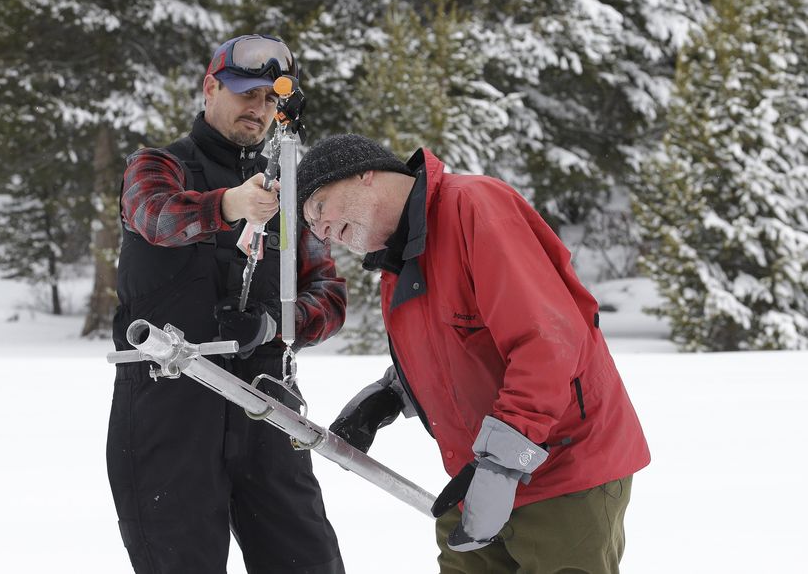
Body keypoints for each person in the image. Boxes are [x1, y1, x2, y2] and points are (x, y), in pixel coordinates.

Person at [296, 134, 651, 574]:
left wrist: (502, 468)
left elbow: (548, 343)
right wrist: (392, 394)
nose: (322, 232)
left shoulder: (474, 207)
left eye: (320, 208)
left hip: (564, 471)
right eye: (312, 228)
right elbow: (457, 347)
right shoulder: (398, 264)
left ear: (364, 174)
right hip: (476, 482)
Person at [107, 34, 347, 574]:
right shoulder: (157, 167)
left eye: (269, 99)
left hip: (267, 403)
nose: (258, 109)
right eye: (245, 93)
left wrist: (269, 327)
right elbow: (157, 217)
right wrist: (230, 204)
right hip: (169, 406)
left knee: (307, 560)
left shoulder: (293, 190)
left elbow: (328, 296)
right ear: (210, 87)